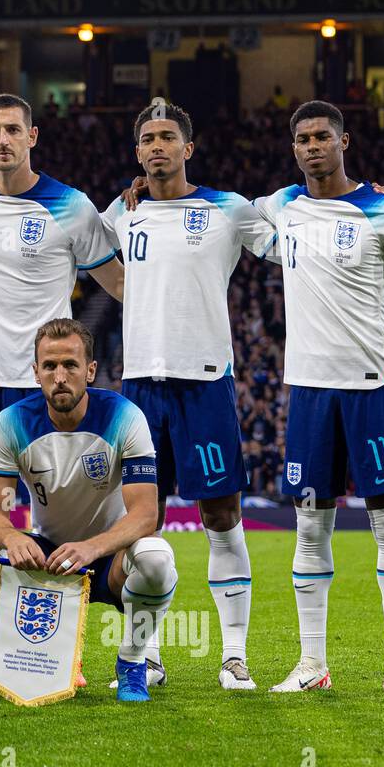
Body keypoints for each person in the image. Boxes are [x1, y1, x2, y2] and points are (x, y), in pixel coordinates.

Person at [253, 101, 384, 694]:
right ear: (294, 149)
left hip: (372, 389)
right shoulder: (280, 207)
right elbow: (206, 204)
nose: (313, 146)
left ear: (345, 141)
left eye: (323, 136)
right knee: (311, 529)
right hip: (310, 393)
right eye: (303, 138)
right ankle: (313, 665)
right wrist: (145, 185)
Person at [0, 93, 124, 686]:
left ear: (33, 136)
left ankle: (100, 651)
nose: (2, 140)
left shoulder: (71, 207)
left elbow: (120, 282)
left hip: (50, 386)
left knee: (73, 517)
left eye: (12, 130)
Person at [100, 103, 276, 690]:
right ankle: (146, 655)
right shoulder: (122, 214)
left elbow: (290, 232)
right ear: (137, 152)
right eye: (147, 138)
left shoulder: (228, 209)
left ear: (187, 148)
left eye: (168, 137)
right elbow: (75, 246)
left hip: (205, 383)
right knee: (141, 522)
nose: (157, 146)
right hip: (141, 386)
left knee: (222, 516)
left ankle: (233, 655)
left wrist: (358, 195)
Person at [0, 319, 175, 702]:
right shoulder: (11, 422)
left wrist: (91, 548)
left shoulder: (125, 416)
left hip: (108, 558)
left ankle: (133, 662)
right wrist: (12, 536)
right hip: (48, 559)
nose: (60, 376)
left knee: (156, 558)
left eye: (70, 365)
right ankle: (42, 654)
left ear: (91, 370)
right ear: (36, 373)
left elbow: (146, 515)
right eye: (49, 366)